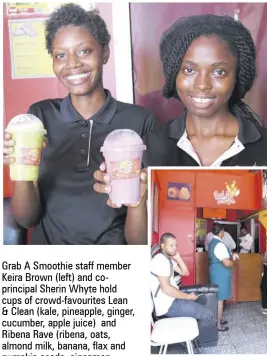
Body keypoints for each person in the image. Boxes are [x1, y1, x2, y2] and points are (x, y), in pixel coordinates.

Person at [3, 4, 156, 245]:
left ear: (104, 53)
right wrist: (22, 167)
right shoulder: (40, 116)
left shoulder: (139, 121)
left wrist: (139, 198)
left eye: (84, 51)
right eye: (61, 55)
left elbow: (139, 243)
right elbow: (26, 219)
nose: (72, 64)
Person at [142, 14, 267, 166]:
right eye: (189, 70)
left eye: (218, 72)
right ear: (174, 74)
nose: (202, 85)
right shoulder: (152, 146)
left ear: (237, 77)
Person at [151, 233, 215, 327]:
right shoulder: (160, 261)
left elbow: (185, 273)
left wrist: (178, 258)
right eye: (171, 245)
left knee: (202, 300)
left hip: (173, 299)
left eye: (176, 245)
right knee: (208, 313)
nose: (174, 248)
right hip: (168, 306)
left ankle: (196, 329)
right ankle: (203, 341)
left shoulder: (167, 259)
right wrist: (188, 297)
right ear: (163, 245)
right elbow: (167, 289)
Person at [208, 223, 239, 331]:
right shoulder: (219, 245)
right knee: (219, 300)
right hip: (220, 274)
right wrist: (234, 259)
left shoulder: (212, 242)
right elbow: (227, 263)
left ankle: (218, 319)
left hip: (216, 272)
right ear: (222, 232)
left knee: (218, 298)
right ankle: (218, 325)